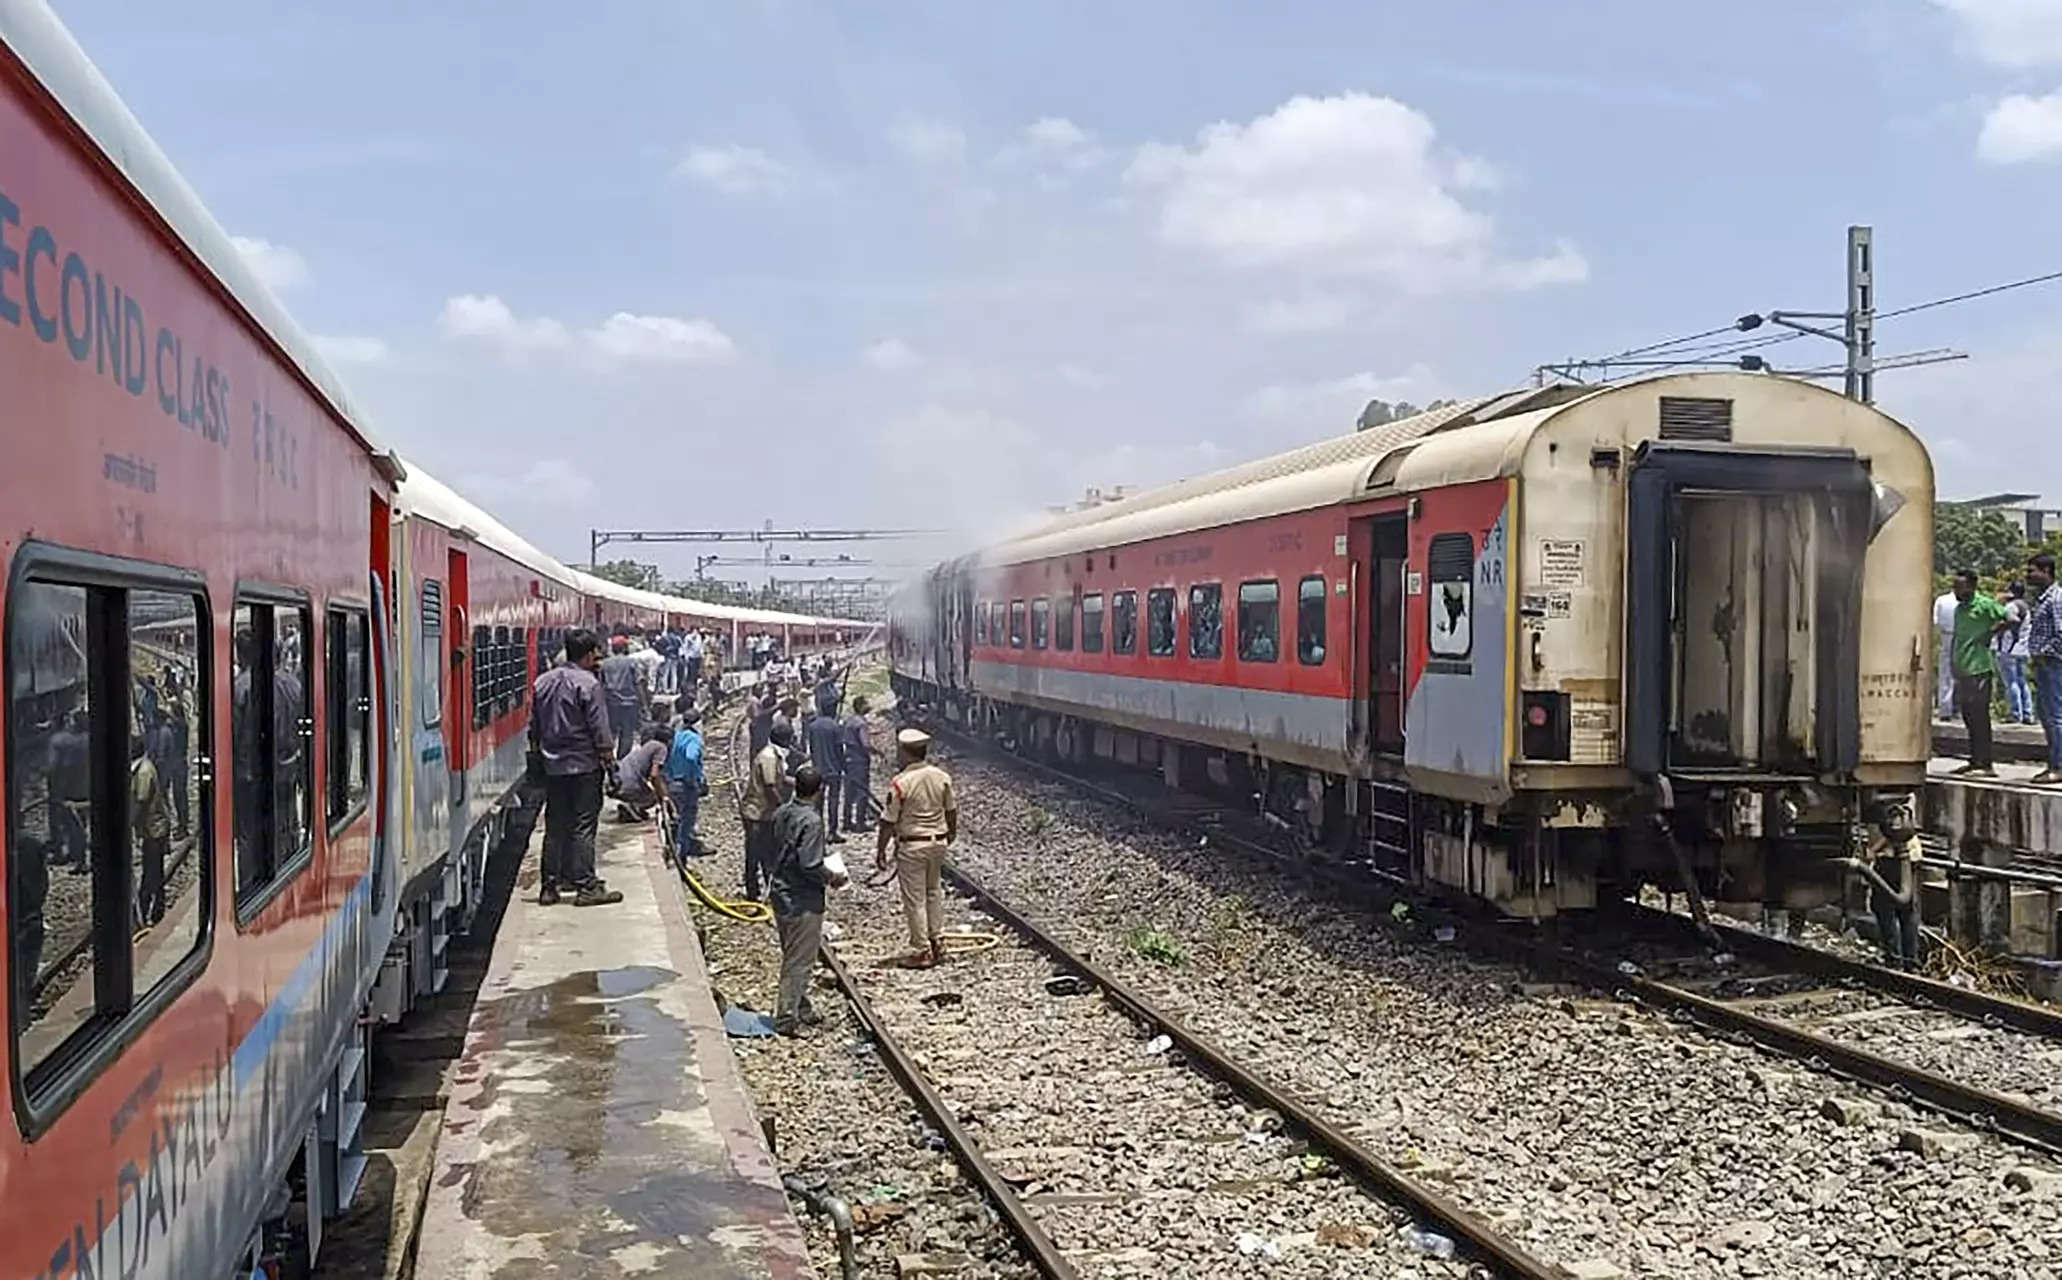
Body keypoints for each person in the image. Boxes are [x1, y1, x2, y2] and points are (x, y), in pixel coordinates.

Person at [529, 628, 624, 906]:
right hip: (584, 765)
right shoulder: (589, 684)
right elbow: (599, 729)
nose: (599, 657)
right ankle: (586, 886)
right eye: (596, 651)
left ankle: (550, 886)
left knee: (555, 825)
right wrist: (609, 762)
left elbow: (534, 728)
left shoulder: (542, 682)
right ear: (589, 653)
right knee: (583, 825)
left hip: (553, 766)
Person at [770, 764, 844, 1036]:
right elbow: (811, 864)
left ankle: (801, 1006)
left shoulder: (782, 812)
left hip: (781, 890)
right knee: (799, 959)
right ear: (820, 791)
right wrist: (832, 877)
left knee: (792, 950)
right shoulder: (811, 821)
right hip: (802, 897)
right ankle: (786, 1018)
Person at [876, 728, 957, 968]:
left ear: (905, 752)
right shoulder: (941, 777)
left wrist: (881, 849)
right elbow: (951, 810)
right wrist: (950, 833)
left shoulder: (901, 782)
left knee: (915, 899)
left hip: (912, 845)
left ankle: (922, 950)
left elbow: (888, 821)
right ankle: (937, 940)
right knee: (933, 892)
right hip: (938, 841)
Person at [1948, 569, 2008, 778]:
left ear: (1971, 586)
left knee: (1979, 717)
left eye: (1960, 586)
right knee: (1968, 717)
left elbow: (2010, 617)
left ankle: (1985, 763)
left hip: (1979, 669)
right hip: (1963, 669)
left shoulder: (1983, 604)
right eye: (1954, 586)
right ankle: (1974, 760)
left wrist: (1991, 633)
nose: (1956, 590)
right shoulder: (1959, 609)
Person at [740, 721, 795, 900]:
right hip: (756, 812)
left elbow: (781, 778)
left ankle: (770, 888)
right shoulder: (769, 757)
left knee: (769, 852)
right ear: (786, 740)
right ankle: (753, 891)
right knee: (755, 853)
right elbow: (770, 787)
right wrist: (783, 808)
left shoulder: (774, 755)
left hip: (764, 813)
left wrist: (800, 783)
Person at [1865, 800, 1922, 970]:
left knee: (1886, 911)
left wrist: (1873, 851)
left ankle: (1895, 961)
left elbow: (1892, 834)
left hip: (1890, 863)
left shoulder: (1882, 810)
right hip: (1909, 860)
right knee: (1907, 913)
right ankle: (1910, 961)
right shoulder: (1906, 802)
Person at [129, 734, 171, 927]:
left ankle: (146, 912)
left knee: (150, 873)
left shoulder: (144, 771)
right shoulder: (140, 768)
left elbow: (141, 801)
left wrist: (127, 824)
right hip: (153, 828)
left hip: (154, 829)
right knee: (155, 872)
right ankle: (155, 911)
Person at [2028, 552, 2062, 785]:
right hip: (2044, 664)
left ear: (2046, 571)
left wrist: (2045, 653)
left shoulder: (2056, 599)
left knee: (2056, 716)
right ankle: (2053, 761)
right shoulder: (2042, 598)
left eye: (2032, 571)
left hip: (2053, 663)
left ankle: (2058, 766)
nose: (2028, 575)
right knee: (2046, 714)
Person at [48, 708, 92, 873]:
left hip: (68, 789)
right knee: (82, 823)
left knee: (72, 825)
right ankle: (78, 855)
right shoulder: (89, 739)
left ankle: (79, 859)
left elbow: (53, 767)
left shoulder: (61, 741)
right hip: (86, 788)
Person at [665, 708, 706, 859]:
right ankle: (682, 853)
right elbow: (691, 757)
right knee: (687, 821)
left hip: (673, 782)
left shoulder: (677, 736)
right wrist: (696, 778)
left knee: (676, 819)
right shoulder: (693, 738)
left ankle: (674, 850)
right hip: (686, 785)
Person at [599, 637, 648, 759]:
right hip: (629, 703)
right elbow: (638, 683)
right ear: (625, 648)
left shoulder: (605, 663)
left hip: (610, 703)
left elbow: (599, 685)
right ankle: (622, 759)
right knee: (627, 733)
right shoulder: (632, 662)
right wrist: (644, 703)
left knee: (611, 732)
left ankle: (609, 758)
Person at [806, 701, 848, 842]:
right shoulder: (835, 727)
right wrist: (844, 766)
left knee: (818, 802)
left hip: (818, 769)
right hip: (833, 770)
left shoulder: (813, 726)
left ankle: (818, 831)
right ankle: (832, 831)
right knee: (833, 801)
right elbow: (839, 749)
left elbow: (811, 747)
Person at [614, 725, 669, 822]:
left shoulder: (647, 745)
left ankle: (634, 810)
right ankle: (634, 806)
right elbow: (654, 775)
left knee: (646, 790)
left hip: (615, 782)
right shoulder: (661, 748)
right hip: (628, 785)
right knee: (653, 797)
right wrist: (664, 796)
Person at [1999, 581, 2035, 727]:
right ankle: (2028, 713)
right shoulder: (2026, 606)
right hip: (2023, 649)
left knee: (2011, 682)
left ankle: (2015, 713)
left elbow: (2012, 621)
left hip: (2010, 648)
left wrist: (1997, 629)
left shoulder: (2012, 606)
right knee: (2022, 681)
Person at [840, 695, 876, 833]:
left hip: (848, 758)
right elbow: (865, 744)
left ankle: (847, 821)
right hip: (859, 759)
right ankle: (860, 822)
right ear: (861, 706)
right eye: (867, 703)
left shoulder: (849, 721)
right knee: (862, 791)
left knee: (849, 792)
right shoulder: (861, 723)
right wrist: (876, 752)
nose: (869, 706)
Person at [1933, 585, 1958, 720]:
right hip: (1962, 637)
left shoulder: (1941, 600)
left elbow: (1935, 620)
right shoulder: (1964, 601)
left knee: (1945, 674)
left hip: (1946, 635)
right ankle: (1956, 708)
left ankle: (1945, 709)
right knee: (1961, 673)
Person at [653, 626, 682, 695]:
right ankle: (673, 689)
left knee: (665, 673)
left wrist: (664, 651)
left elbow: (657, 646)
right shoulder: (677, 638)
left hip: (667, 656)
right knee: (674, 674)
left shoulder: (665, 638)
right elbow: (680, 646)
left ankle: (665, 689)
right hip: (675, 657)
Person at [683, 628, 706, 694]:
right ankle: (690, 686)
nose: (695, 633)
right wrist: (686, 656)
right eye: (694, 631)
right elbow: (685, 647)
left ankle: (695, 685)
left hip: (698, 657)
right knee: (691, 672)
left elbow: (700, 646)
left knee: (696, 672)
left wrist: (702, 655)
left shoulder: (699, 637)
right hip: (691, 657)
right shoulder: (688, 638)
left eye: (696, 631)